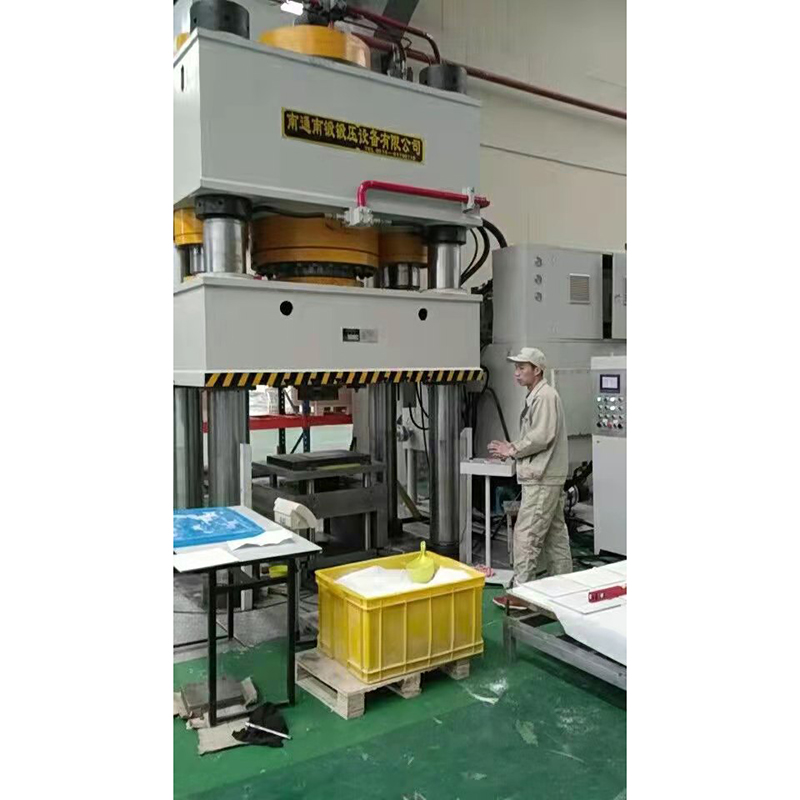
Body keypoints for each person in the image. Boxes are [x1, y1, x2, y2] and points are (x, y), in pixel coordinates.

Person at [488, 347, 572, 610]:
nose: (517, 373)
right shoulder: (538, 396)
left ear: (537, 370)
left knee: (526, 535)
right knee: (555, 536)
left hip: (542, 478)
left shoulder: (545, 396)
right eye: (516, 368)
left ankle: (522, 595)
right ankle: (565, 590)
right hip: (546, 475)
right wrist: (513, 451)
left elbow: (541, 437)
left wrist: (511, 449)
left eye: (522, 367)